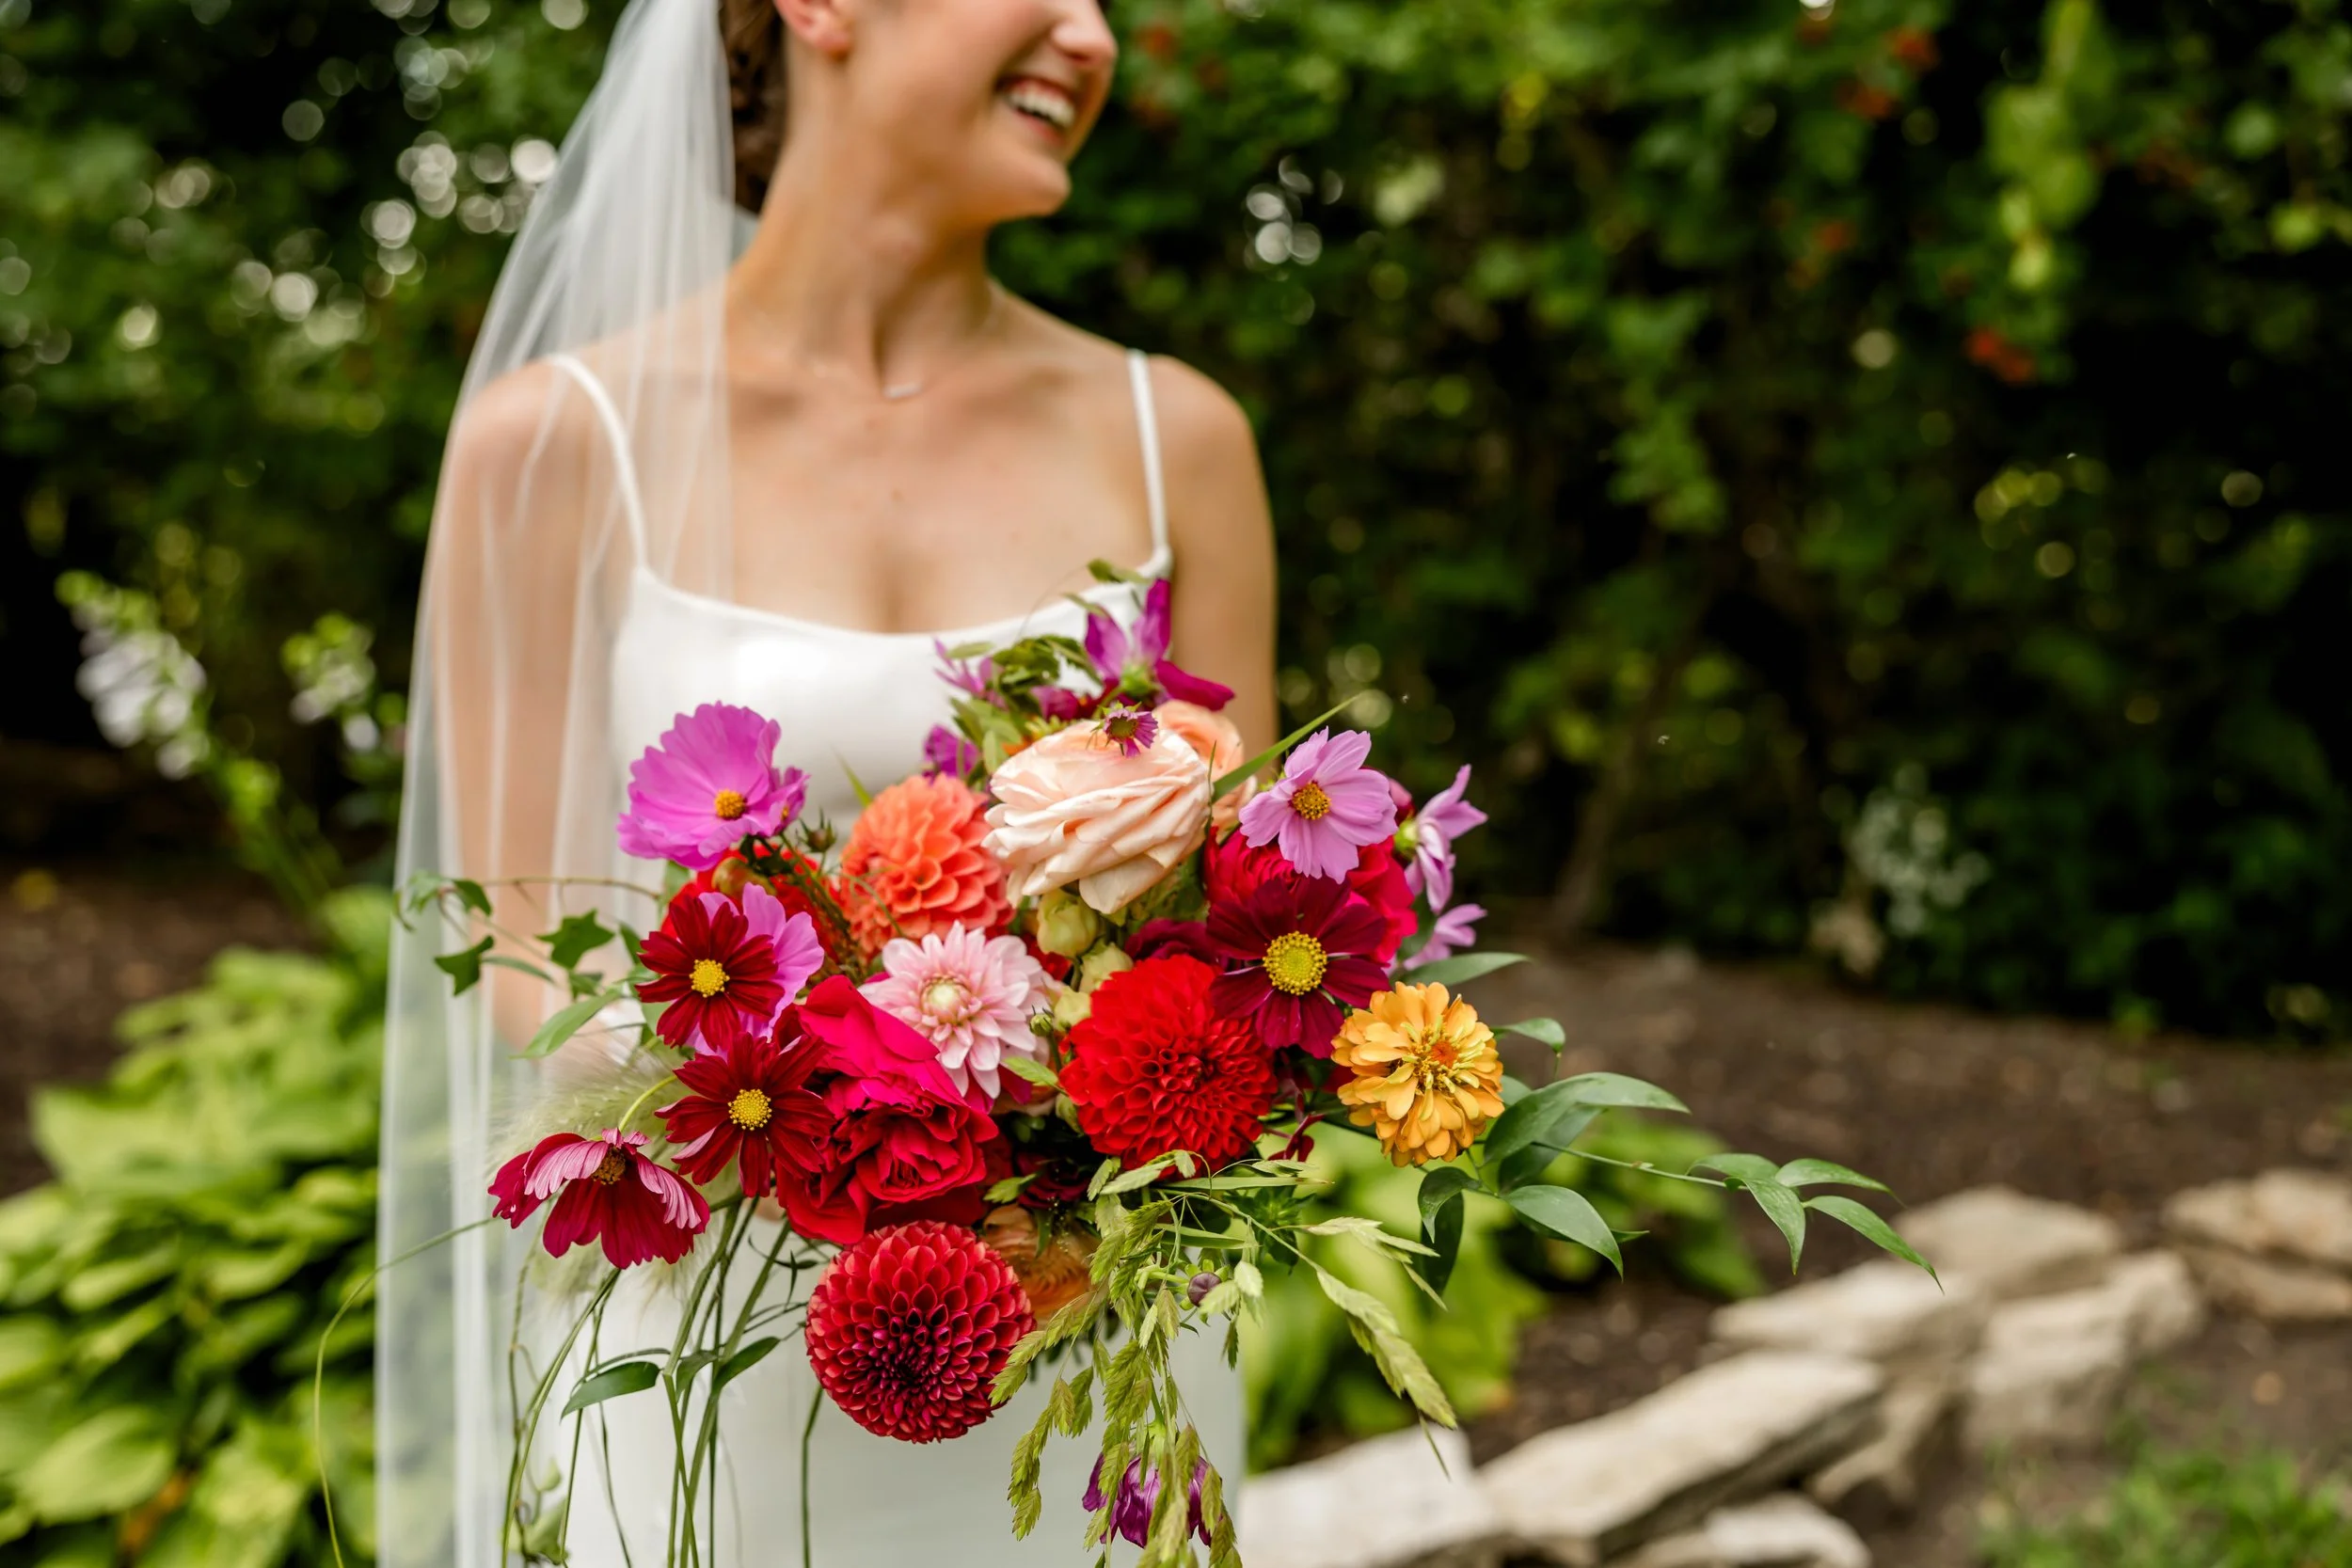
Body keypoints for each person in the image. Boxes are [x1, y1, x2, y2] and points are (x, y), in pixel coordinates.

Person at [376, 0, 1275, 1562]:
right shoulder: (551, 443)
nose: (1089, 34)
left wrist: (1053, 1129)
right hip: (708, 1330)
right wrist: (829, 1101)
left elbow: (1255, 928)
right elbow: (518, 945)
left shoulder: (1178, 437)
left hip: (1076, 1342)